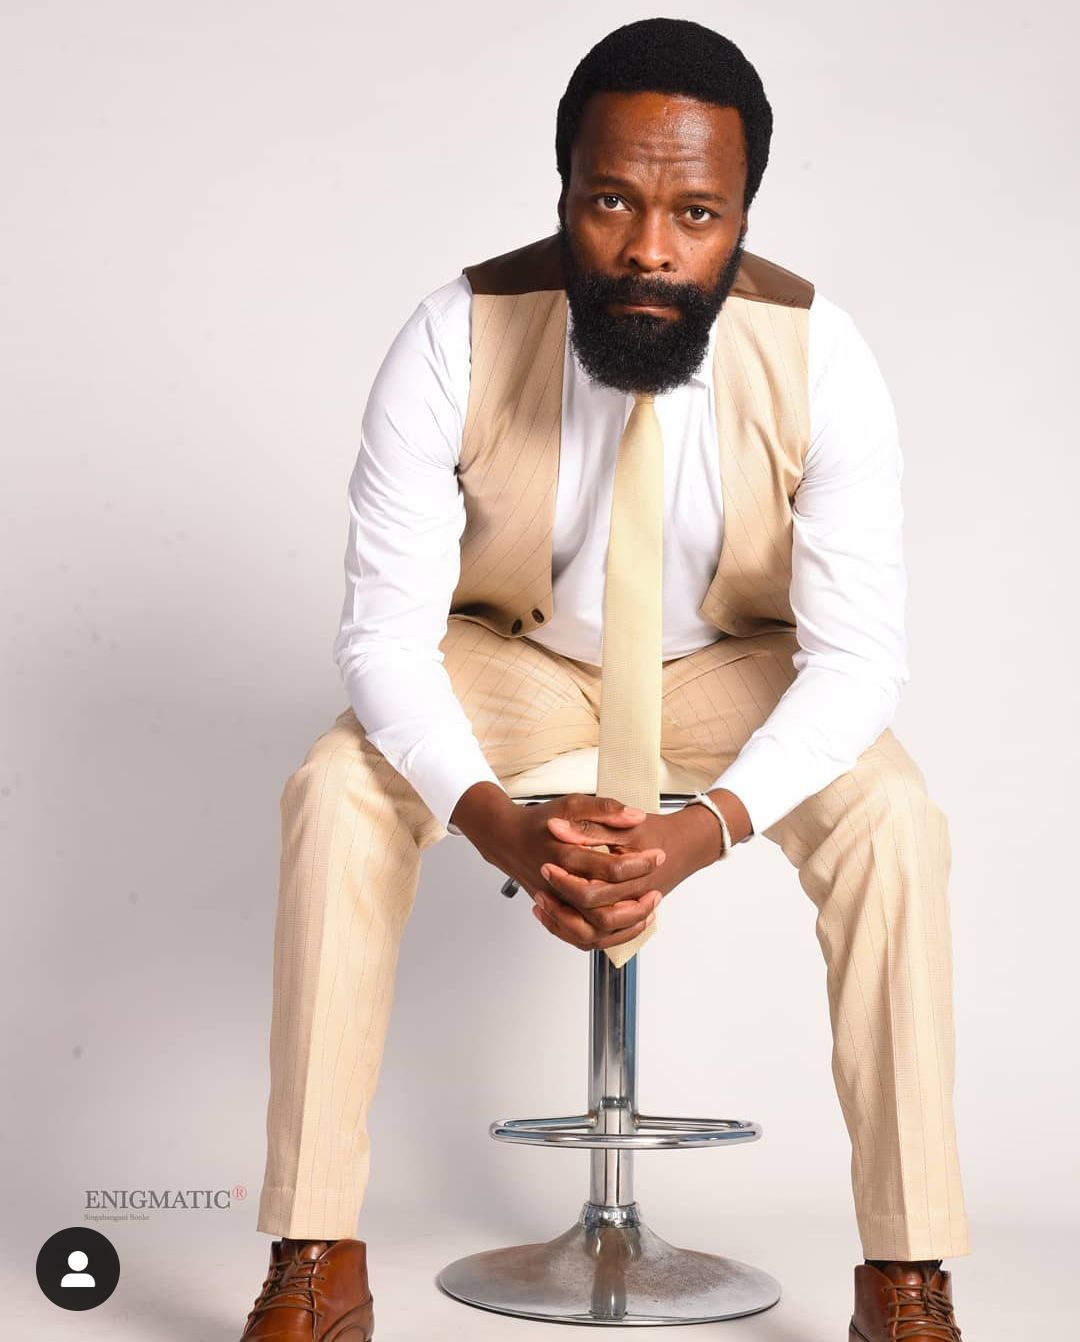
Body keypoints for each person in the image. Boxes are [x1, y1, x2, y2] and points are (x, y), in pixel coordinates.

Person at [237, 18, 970, 1342]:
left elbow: (857, 657)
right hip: (511, 654)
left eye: (696, 213)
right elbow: (385, 640)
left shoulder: (822, 354)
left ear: (740, 215)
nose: (648, 249)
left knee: (893, 818)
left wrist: (705, 830)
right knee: (337, 787)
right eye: (613, 201)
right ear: (565, 190)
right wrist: (493, 819)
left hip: (729, 663)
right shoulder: (454, 333)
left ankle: (905, 1272)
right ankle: (314, 1253)